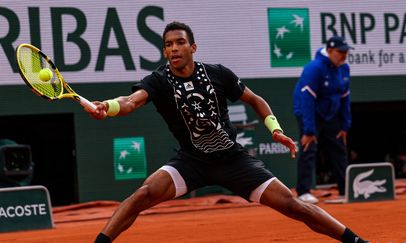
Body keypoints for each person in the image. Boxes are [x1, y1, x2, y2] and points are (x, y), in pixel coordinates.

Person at [87, 22, 369, 243]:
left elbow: (256, 100)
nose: (174, 48)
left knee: (292, 205)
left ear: (193, 47)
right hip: (191, 162)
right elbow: (131, 102)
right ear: (164, 51)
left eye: (180, 42)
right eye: (168, 45)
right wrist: (108, 106)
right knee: (143, 194)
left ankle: (356, 241)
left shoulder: (217, 73)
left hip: (233, 161)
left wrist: (276, 130)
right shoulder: (159, 80)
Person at [293, 36, 354, 204]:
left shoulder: (344, 68)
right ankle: (303, 191)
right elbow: (307, 100)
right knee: (309, 147)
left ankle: (345, 189)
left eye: (346, 52)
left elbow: (345, 98)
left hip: (330, 114)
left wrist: (344, 125)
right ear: (329, 51)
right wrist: (309, 130)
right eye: (340, 52)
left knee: (339, 148)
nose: (343, 55)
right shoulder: (314, 68)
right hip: (309, 112)